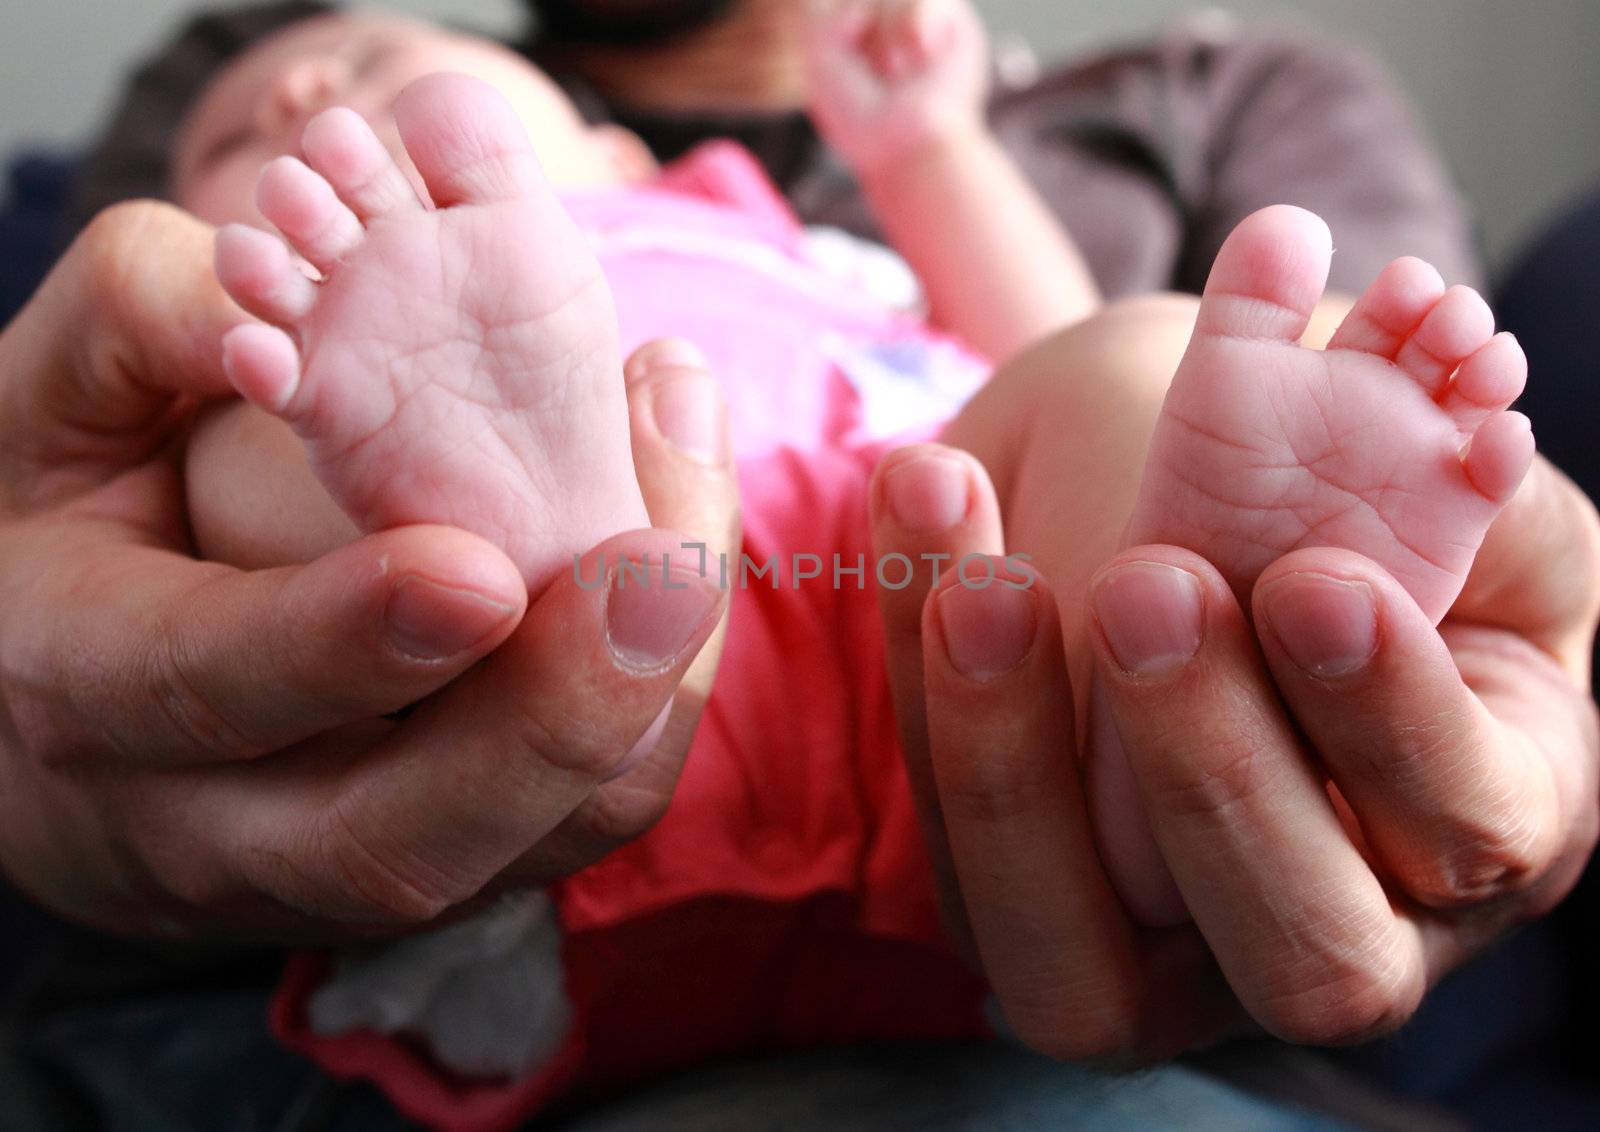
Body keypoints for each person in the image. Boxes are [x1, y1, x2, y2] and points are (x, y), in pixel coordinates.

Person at [0, 3, 1595, 1130]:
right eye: (228, 143)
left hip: (928, 649)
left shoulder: (775, 232)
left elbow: (1019, 338)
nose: (291, 105)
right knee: (251, 432)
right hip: (504, 803)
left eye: (361, 63)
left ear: (610, 150)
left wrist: (929, 151)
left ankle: (1167, 723)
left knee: (1115, 367)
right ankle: (509, 530)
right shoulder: (338, 298)